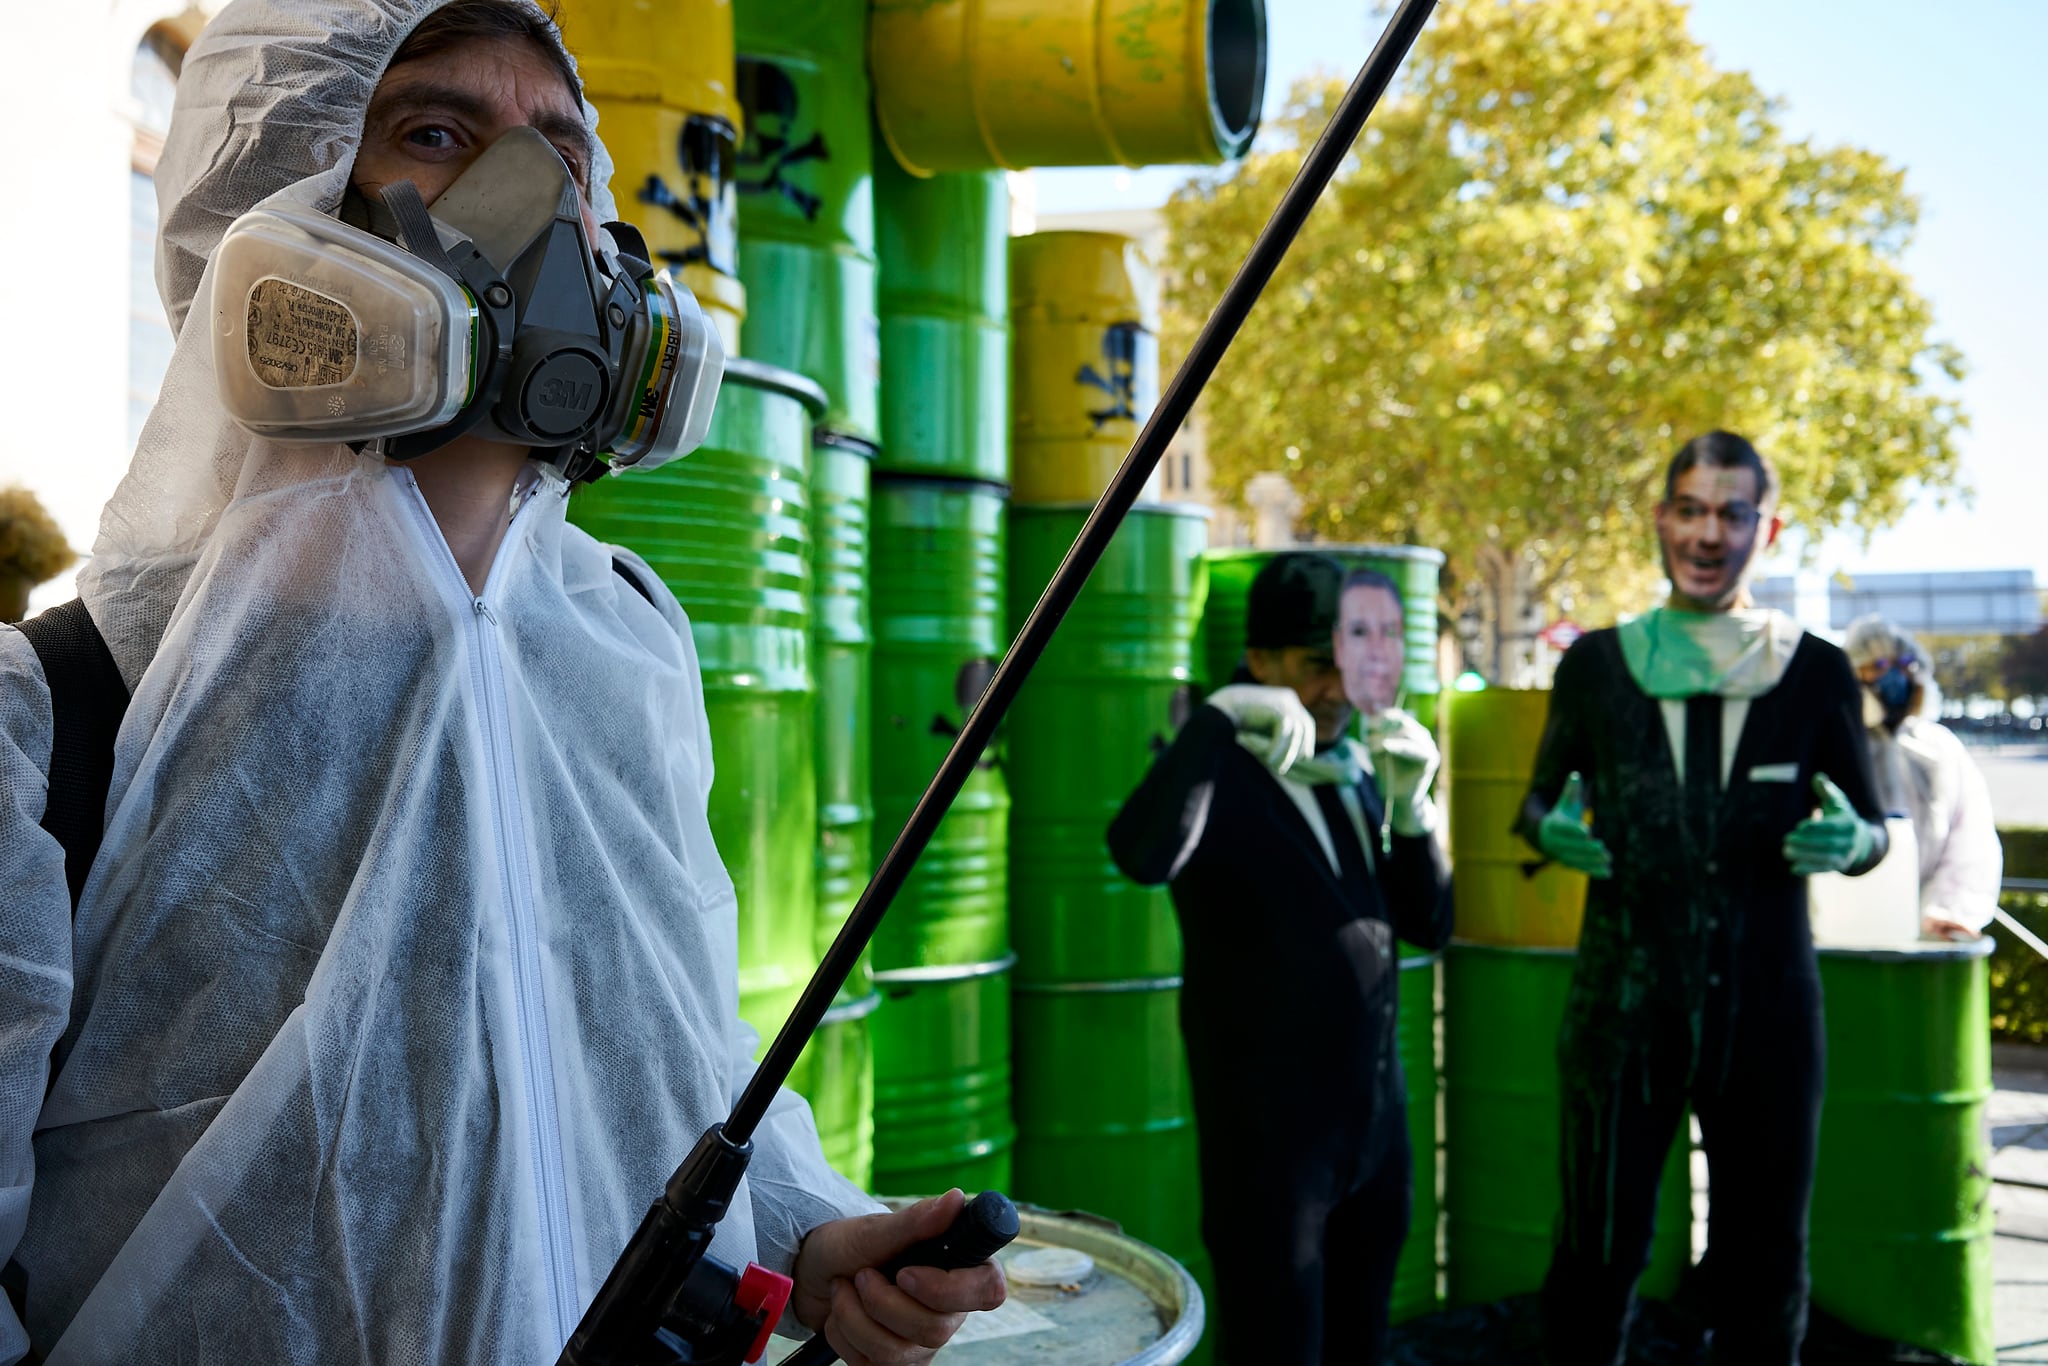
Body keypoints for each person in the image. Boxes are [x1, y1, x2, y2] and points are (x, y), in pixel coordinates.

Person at [0, 3, 1001, 1363]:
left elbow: (667, 1050)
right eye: (434, 132)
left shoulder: (627, 653)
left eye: (565, 158)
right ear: (275, 215)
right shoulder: (56, 723)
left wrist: (803, 1237)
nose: (534, 205)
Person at [1520, 431, 1890, 1365]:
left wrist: (1854, 842)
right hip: (1618, 1012)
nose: (1707, 534)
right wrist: (1548, 829)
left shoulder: (1816, 671)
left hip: (1768, 1013)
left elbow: (1874, 824)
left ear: (1767, 529)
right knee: (1594, 1253)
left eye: (1731, 513)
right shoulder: (1596, 665)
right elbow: (1535, 801)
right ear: (1660, 520)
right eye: (1690, 510)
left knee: (1768, 1263)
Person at [1108, 553, 1453, 1366]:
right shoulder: (1220, 771)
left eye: (1349, 665)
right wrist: (1219, 715)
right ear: (1260, 661)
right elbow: (1140, 853)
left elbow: (1430, 925)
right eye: (1313, 666)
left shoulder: (1355, 765)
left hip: (1375, 1133)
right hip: (1270, 1156)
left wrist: (1413, 811)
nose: (1335, 690)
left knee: (1363, 1345)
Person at [1843, 615, 2003, 940]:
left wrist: (1950, 910)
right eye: (1879, 664)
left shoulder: (1941, 747)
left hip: (1931, 928)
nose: (1893, 675)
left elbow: (1971, 836)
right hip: (1847, 924)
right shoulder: (1839, 743)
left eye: (1904, 663)